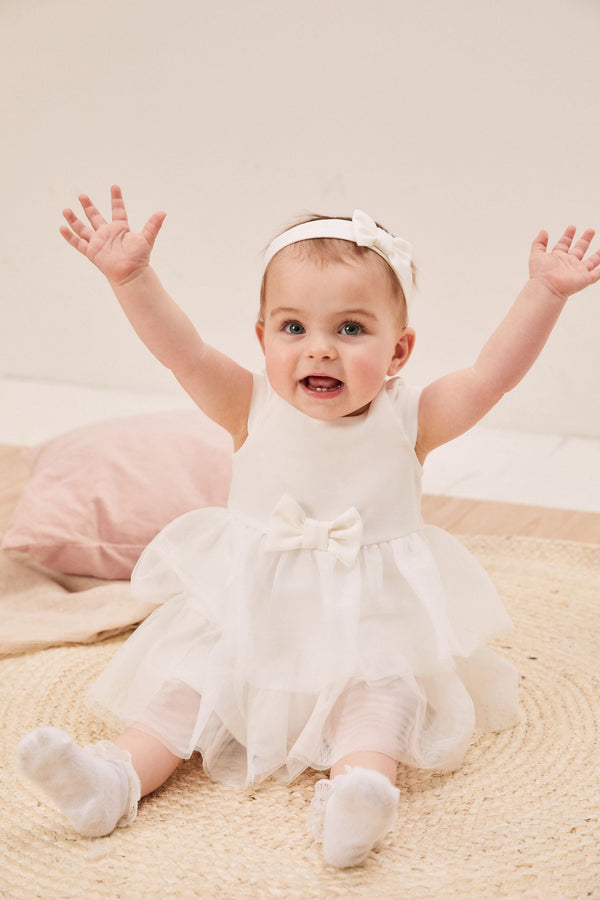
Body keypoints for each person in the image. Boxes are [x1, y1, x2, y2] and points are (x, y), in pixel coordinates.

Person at [18, 187, 600, 868]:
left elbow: (491, 377)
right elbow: (181, 351)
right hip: (251, 618)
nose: (319, 350)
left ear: (399, 350)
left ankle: (356, 801)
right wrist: (133, 277)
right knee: (183, 689)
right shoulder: (249, 405)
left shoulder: (411, 419)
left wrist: (545, 295)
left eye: (351, 329)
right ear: (263, 338)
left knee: (377, 703)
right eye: (293, 328)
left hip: (369, 624)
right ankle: (111, 778)